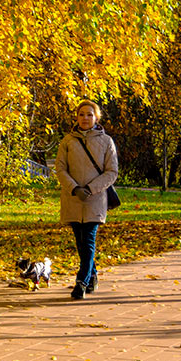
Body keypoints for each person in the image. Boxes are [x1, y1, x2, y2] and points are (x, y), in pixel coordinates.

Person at [53, 100, 119, 300]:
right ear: (76, 117)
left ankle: (81, 282)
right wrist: (74, 188)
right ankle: (93, 275)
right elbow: (60, 168)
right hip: (73, 199)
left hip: (95, 199)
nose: (85, 118)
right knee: (81, 244)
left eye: (89, 115)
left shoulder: (106, 141)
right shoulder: (68, 141)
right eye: (81, 114)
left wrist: (90, 189)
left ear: (96, 118)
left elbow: (111, 172)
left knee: (89, 241)